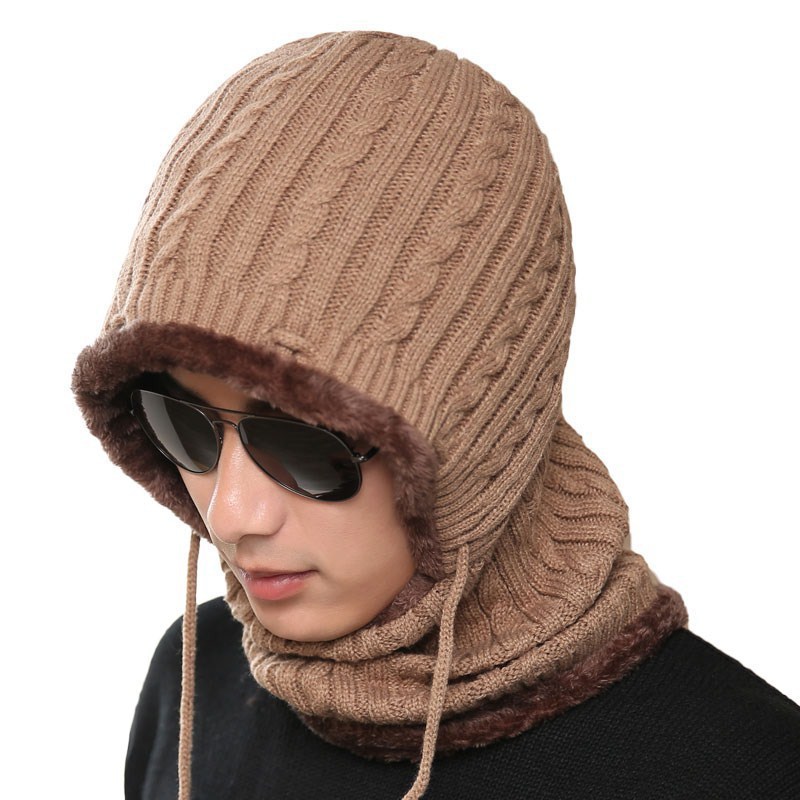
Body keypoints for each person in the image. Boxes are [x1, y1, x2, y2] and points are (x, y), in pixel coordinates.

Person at [71, 30, 800, 800]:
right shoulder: (195, 682)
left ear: (471, 434)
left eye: (305, 444)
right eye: (182, 425)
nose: (230, 514)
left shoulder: (740, 768)